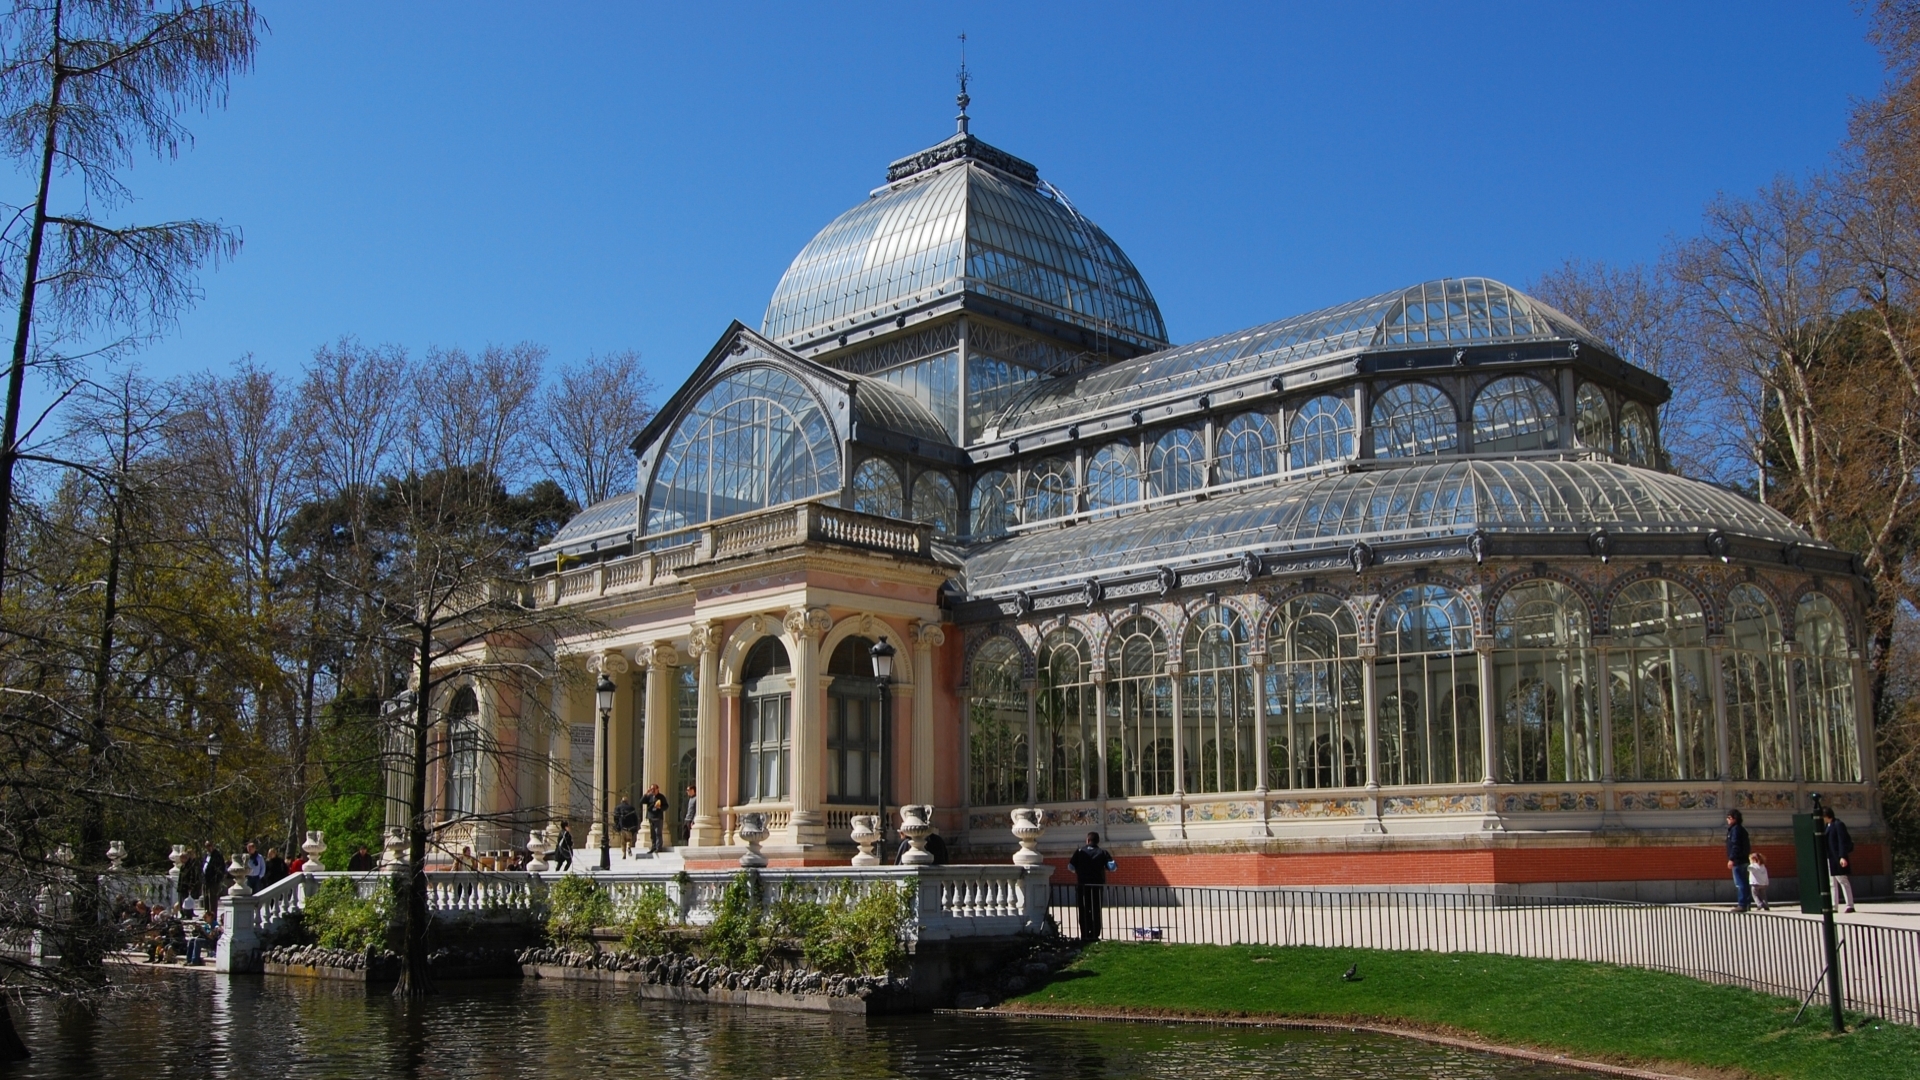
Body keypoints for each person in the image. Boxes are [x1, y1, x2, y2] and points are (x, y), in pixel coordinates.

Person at [1068, 832, 1116, 943]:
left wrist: (1078, 871)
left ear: (1088, 840)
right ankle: (1094, 934)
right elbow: (1112, 867)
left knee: (1084, 910)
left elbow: (1070, 866)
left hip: (1082, 886)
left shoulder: (1080, 852)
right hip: (1097, 886)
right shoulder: (1103, 852)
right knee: (1096, 910)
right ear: (1097, 841)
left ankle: (1085, 935)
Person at [1822, 806, 1857, 913]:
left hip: (1837, 857)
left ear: (1826, 816)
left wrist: (1842, 856)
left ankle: (1849, 904)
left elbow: (1842, 841)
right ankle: (1834, 905)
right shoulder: (1827, 826)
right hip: (1829, 857)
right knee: (1832, 882)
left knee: (1843, 880)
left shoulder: (1838, 824)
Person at [1724, 809, 1752, 912]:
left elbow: (1735, 845)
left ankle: (1742, 904)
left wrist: (1732, 859)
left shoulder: (1735, 830)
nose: (1727, 819)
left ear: (1734, 818)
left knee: (1740, 883)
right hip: (1744, 859)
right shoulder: (1741, 829)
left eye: (1729, 817)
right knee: (1744, 882)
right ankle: (1747, 903)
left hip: (1738, 860)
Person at [640, 783, 670, 853]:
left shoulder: (661, 797)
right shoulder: (649, 796)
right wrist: (646, 794)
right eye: (651, 789)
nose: (652, 790)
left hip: (658, 817)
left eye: (654, 789)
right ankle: (653, 847)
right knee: (652, 834)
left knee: (658, 833)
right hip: (651, 817)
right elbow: (641, 802)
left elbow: (666, 806)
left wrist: (660, 807)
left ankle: (659, 847)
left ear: (657, 789)